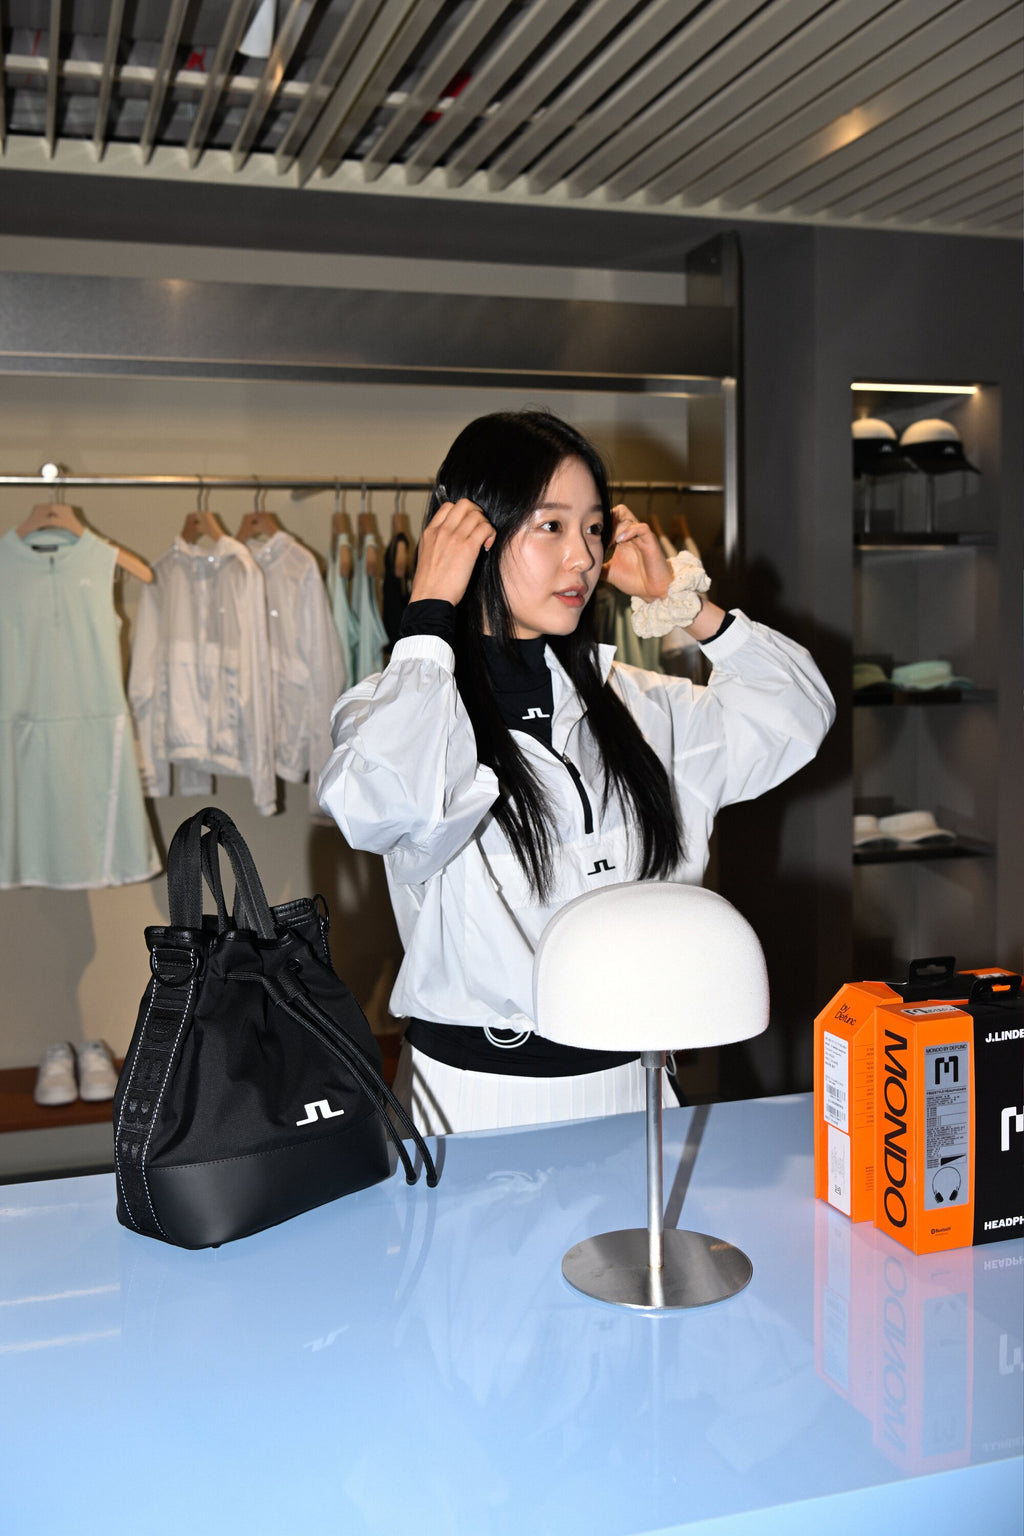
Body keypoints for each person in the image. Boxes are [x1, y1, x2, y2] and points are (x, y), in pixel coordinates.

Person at [318, 410, 835, 1134]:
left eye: (593, 528)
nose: (583, 558)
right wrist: (430, 612)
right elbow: (378, 808)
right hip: (475, 1099)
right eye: (552, 526)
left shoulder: (642, 706)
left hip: (636, 1085)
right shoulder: (400, 710)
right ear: (472, 533)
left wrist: (681, 604)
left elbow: (797, 714)